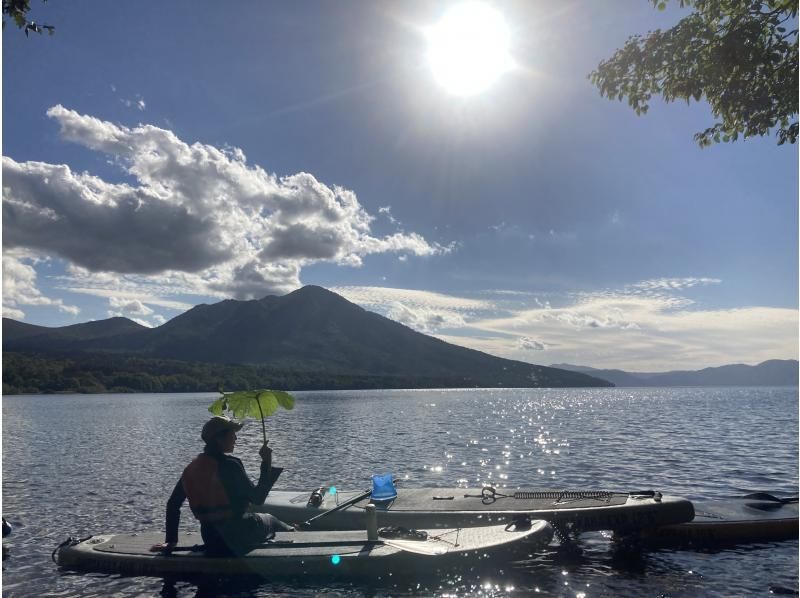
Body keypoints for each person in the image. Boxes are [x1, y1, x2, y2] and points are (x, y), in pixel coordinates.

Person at [150, 415, 293, 556]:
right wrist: (266, 463)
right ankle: (296, 532)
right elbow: (258, 499)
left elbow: (173, 504)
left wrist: (171, 541)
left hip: (211, 539)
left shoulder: (192, 467)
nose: (236, 439)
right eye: (232, 434)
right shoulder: (231, 465)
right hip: (239, 536)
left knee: (263, 519)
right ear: (219, 439)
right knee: (271, 520)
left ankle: (294, 529)